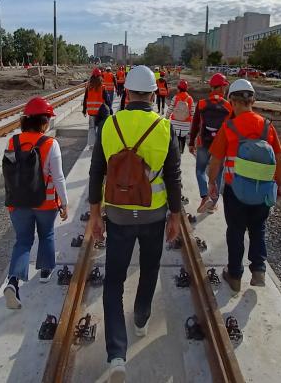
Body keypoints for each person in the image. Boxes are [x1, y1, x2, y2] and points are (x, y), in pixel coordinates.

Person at [88, 65, 182, 382]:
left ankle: (116, 354)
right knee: (150, 268)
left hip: (118, 216)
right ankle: (141, 318)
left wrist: (94, 215)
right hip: (154, 215)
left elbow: (96, 171)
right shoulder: (164, 127)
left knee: (114, 281)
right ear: (154, 94)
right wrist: (176, 216)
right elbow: (173, 176)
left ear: (126, 92)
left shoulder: (110, 124)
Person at [207, 79, 281, 293]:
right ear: (253, 100)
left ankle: (234, 276)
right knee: (258, 229)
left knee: (235, 232)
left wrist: (211, 182)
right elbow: (279, 159)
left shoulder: (229, 126)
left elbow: (216, 161)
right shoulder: (268, 126)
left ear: (232, 100)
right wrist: (278, 186)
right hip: (262, 190)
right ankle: (259, 269)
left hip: (235, 192)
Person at [3, 97, 69, 309]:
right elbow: (58, 177)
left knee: (22, 241)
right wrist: (64, 203)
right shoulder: (51, 144)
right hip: (45, 203)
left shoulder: (13, 141)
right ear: (43, 121)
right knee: (46, 234)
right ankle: (45, 270)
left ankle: (13, 281)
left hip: (18, 202)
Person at [188, 72, 232, 214]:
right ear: (220, 88)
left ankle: (204, 195)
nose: (225, 90)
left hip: (203, 143)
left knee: (200, 170)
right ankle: (213, 203)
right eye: (224, 88)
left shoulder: (201, 104)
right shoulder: (228, 107)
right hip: (220, 147)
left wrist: (191, 142)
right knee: (218, 172)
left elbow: (195, 125)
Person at [83, 68, 112, 148]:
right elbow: (108, 100)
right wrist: (110, 109)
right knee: (100, 128)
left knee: (91, 128)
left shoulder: (88, 87)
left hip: (91, 112)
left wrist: (84, 110)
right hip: (100, 112)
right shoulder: (102, 87)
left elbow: (85, 99)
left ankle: (92, 145)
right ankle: (99, 144)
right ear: (100, 77)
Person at [166, 79, 194, 154]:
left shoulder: (175, 97)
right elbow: (192, 112)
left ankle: (175, 151)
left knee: (175, 137)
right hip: (185, 123)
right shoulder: (190, 99)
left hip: (175, 122)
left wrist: (166, 117)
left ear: (178, 88)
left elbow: (170, 108)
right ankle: (181, 151)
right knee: (183, 137)